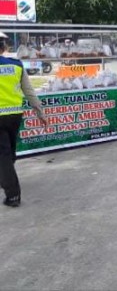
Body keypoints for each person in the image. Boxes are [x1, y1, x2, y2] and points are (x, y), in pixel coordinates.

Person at [0, 31, 47, 207]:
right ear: (4, 47)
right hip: (14, 116)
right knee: (9, 152)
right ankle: (6, 176)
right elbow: (29, 91)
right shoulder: (16, 65)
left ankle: (12, 195)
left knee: (3, 155)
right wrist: (40, 113)